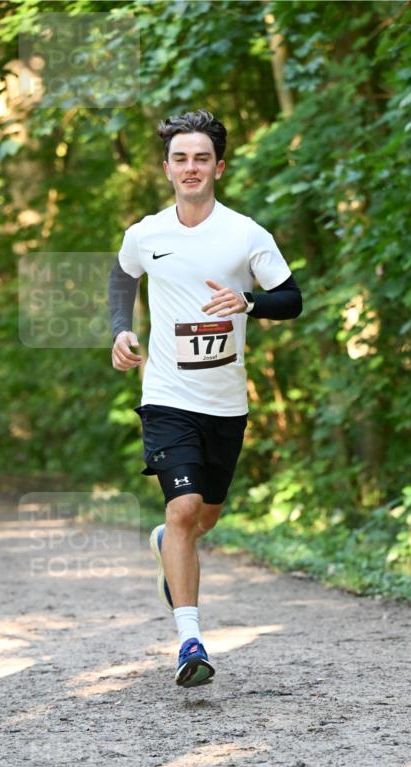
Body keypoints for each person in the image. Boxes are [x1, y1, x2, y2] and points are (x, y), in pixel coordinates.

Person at [109, 109, 302, 689]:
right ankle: (189, 641)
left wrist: (248, 303)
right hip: (167, 396)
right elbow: (122, 278)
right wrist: (120, 328)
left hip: (225, 404)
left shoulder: (245, 233)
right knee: (183, 509)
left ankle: (171, 545)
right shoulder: (145, 234)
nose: (190, 168)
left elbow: (290, 298)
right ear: (166, 168)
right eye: (179, 158)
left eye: (200, 158)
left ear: (218, 166)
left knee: (204, 518)